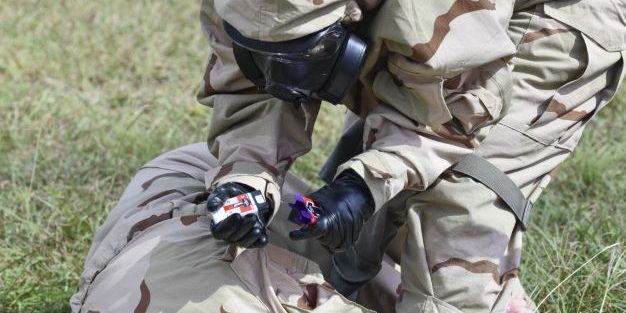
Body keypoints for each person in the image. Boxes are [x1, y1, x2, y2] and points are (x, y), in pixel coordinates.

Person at [70, 0, 625, 312]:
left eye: (304, 56)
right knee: (368, 222)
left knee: (457, 209)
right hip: (401, 40)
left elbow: (451, 118)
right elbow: (254, 84)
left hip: (540, 22)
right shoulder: (249, 8)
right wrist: (245, 177)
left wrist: (367, 182)